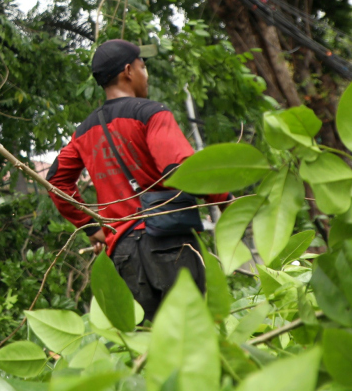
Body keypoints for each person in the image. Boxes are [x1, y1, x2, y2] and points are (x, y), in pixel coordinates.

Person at [47, 39, 226, 319]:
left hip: (123, 253)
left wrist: (93, 227)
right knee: (191, 338)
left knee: (145, 346)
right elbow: (181, 169)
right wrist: (227, 201)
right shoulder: (152, 113)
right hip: (170, 244)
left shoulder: (83, 131)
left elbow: (56, 181)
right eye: (144, 66)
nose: (147, 74)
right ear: (128, 71)